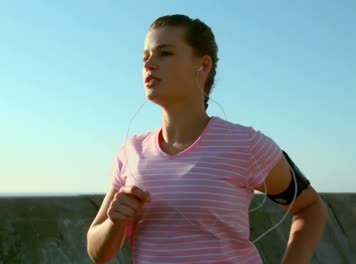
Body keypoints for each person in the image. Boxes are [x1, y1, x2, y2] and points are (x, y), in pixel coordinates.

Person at [86, 14, 327, 264]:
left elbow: (310, 208)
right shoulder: (130, 152)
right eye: (145, 56)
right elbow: (98, 254)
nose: (149, 64)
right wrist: (116, 221)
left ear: (203, 65)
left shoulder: (245, 143)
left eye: (164, 53)